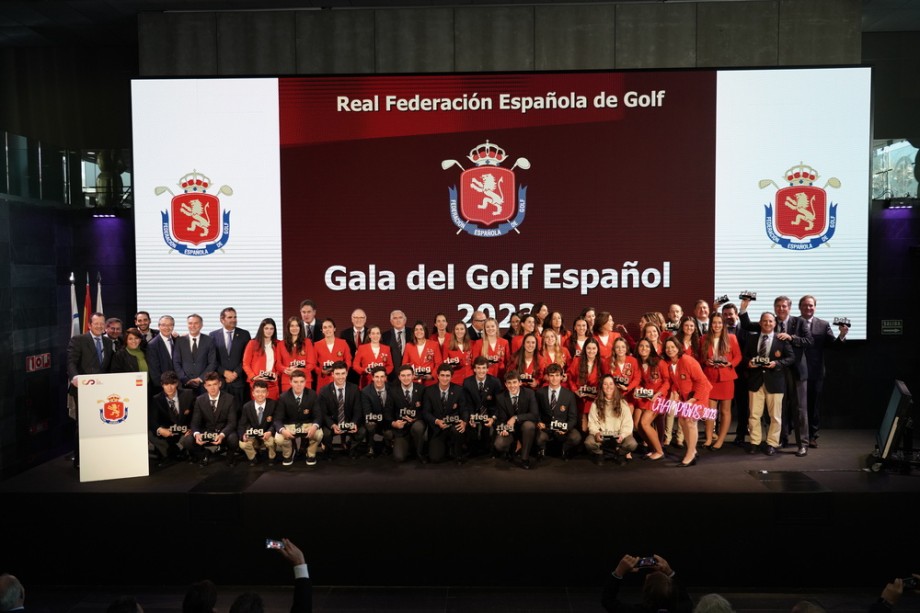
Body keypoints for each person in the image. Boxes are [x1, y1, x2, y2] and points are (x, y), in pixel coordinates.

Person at [798, 294, 848, 447]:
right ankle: (789, 435)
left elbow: (833, 345)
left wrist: (842, 335)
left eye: (811, 305)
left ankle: (812, 436)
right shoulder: (794, 323)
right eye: (805, 305)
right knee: (794, 405)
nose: (808, 307)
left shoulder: (823, 324)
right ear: (800, 307)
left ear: (815, 307)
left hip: (815, 372)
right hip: (796, 370)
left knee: (813, 405)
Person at [66, 311, 114, 468]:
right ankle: (80, 460)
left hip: (102, 392)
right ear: (89, 325)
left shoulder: (107, 342)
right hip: (83, 390)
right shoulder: (79, 340)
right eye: (96, 323)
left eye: (102, 323)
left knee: (101, 424)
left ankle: (98, 457)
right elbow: (71, 362)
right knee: (84, 426)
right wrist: (74, 378)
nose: (99, 326)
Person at [743, 311, 794, 456]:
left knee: (775, 416)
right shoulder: (752, 339)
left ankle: (772, 443)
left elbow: (790, 358)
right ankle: (755, 442)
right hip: (755, 381)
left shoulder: (781, 340)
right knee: (754, 414)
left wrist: (777, 363)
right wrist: (749, 363)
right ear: (760, 323)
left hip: (776, 382)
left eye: (770, 321)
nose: (767, 323)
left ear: (775, 323)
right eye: (764, 321)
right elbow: (744, 357)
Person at [663, 336, 712, 467]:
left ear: (678, 347)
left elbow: (702, 382)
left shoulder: (687, 361)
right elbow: (676, 382)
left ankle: (690, 454)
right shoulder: (670, 364)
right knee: (682, 421)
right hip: (685, 397)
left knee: (690, 421)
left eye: (672, 347)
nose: (670, 350)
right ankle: (693, 450)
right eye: (667, 347)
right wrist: (674, 392)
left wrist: (693, 399)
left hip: (699, 395)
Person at [773, 295, 813, 454]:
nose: (781, 309)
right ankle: (782, 439)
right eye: (778, 306)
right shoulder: (771, 321)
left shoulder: (800, 322)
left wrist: (791, 337)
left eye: (784, 306)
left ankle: (802, 444)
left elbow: (809, 341)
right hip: (778, 371)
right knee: (780, 408)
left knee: (800, 409)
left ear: (789, 308)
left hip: (797, 371)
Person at [699, 313, 742, 450]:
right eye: (714, 323)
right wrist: (706, 361)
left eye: (719, 323)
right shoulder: (704, 338)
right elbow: (701, 358)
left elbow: (738, 357)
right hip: (710, 378)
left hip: (726, 378)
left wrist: (729, 364)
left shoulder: (731, 338)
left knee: (725, 411)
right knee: (710, 411)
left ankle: (721, 440)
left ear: (723, 325)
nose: (716, 325)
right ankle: (709, 438)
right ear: (710, 324)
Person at [601, 554, 692, 613]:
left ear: (645, 592)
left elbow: (608, 601)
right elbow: (686, 599)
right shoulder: (684, 609)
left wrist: (618, 571)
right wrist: (669, 572)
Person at [188, 371, 240, 466]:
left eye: (215, 384)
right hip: (207, 431)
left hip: (223, 431)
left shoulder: (229, 399)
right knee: (187, 440)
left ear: (220, 384)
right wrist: (197, 434)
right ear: (205, 386)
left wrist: (222, 435)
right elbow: (195, 423)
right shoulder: (199, 400)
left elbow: (232, 423)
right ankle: (204, 454)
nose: (212, 388)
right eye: (209, 385)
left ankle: (230, 456)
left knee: (233, 438)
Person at [421, 362, 468, 464]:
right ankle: (445, 447)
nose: (445, 378)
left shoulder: (459, 390)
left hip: (453, 427)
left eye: (447, 376)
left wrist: (464, 422)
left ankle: (457, 452)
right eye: (442, 375)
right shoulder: (429, 391)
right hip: (437, 428)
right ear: (437, 376)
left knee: (458, 429)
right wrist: (436, 421)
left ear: (451, 377)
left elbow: (464, 409)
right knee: (435, 458)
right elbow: (426, 412)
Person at [317, 361, 366, 458]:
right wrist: (332, 425)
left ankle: (350, 448)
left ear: (347, 373)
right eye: (337, 374)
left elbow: (358, 410)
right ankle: (329, 451)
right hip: (333, 421)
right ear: (332, 374)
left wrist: (354, 423)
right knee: (325, 433)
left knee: (362, 431)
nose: (340, 377)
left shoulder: (354, 389)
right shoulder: (324, 391)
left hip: (349, 421)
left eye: (343, 373)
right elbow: (323, 413)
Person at [586, 374, 638, 465]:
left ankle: (619, 454)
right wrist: (596, 433)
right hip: (602, 435)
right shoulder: (596, 403)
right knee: (589, 442)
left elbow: (628, 423)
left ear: (615, 386)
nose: (608, 387)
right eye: (605, 384)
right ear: (602, 386)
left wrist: (622, 435)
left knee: (632, 444)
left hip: (618, 436)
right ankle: (600, 454)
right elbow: (592, 423)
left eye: (611, 384)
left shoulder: (622, 403)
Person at [274, 369, 322, 466]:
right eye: (295, 382)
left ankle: (310, 453)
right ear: (290, 382)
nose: (299, 385)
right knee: (279, 438)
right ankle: (289, 453)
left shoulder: (312, 394)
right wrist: (283, 430)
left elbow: (318, 416)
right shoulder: (283, 397)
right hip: (290, 424)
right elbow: (277, 419)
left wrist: (314, 426)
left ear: (305, 382)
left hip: (307, 424)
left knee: (319, 434)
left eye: (301, 382)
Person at [493, 369, 538, 469]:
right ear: (505, 384)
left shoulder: (529, 393)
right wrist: (504, 428)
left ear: (520, 382)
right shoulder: (500, 397)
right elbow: (502, 418)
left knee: (529, 425)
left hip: (524, 428)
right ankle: (510, 449)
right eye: (509, 383)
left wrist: (515, 418)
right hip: (510, 429)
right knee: (499, 444)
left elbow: (534, 415)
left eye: (514, 382)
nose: (512, 386)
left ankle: (525, 458)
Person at [535, 363, 581, 459]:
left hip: (562, 428)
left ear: (561, 377)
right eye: (551, 375)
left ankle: (564, 450)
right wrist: (539, 422)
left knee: (576, 437)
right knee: (539, 437)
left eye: (557, 375)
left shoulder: (569, 395)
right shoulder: (540, 392)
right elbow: (536, 411)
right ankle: (542, 450)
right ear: (547, 377)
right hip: (546, 428)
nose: (554, 378)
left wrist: (566, 428)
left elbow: (573, 418)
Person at [149, 370, 194, 466]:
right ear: (162, 385)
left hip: (184, 431)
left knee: (192, 436)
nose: (169, 387)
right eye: (166, 384)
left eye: (172, 384)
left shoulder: (188, 394)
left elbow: (196, 415)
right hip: (167, 431)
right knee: (150, 433)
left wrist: (191, 428)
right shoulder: (156, 399)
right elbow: (152, 421)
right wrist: (160, 430)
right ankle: (176, 451)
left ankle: (172, 452)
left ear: (177, 383)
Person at [634, 338, 669, 461]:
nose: (644, 348)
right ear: (637, 349)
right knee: (637, 423)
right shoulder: (636, 363)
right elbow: (637, 381)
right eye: (641, 346)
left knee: (644, 423)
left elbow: (667, 381)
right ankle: (652, 447)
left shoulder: (659, 362)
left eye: (647, 346)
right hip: (645, 396)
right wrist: (638, 391)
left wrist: (658, 393)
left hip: (658, 397)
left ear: (651, 349)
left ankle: (659, 451)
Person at [721, 303, 750, 445]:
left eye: (730, 314)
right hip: (723, 375)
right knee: (724, 407)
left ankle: (741, 434)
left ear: (736, 314)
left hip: (742, 374)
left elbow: (748, 352)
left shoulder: (746, 329)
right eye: (725, 315)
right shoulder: (719, 331)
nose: (728, 317)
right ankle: (718, 434)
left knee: (743, 406)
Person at [462, 356, 503, 457]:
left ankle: (489, 450)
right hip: (474, 413)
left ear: (487, 369)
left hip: (490, 414)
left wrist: (493, 418)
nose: (481, 371)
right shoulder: (467, 382)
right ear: (474, 369)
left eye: (484, 368)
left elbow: (500, 404)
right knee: (471, 433)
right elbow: (467, 403)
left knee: (488, 438)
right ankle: (472, 450)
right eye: (478, 368)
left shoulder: (495, 382)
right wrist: (471, 417)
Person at [210, 307, 252, 406]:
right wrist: (224, 372)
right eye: (230, 317)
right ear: (222, 319)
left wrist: (235, 373)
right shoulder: (213, 335)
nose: (233, 320)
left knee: (239, 412)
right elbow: (212, 359)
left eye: (235, 317)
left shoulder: (244, 334)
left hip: (239, 382)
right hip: (221, 382)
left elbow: (247, 357)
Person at [386, 364, 428, 463]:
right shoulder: (392, 391)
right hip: (401, 429)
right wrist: (394, 423)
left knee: (418, 427)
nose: (406, 378)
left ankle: (420, 453)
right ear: (399, 377)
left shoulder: (422, 389)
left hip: (417, 423)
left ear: (413, 376)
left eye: (408, 375)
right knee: (399, 458)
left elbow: (426, 410)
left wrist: (416, 418)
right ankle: (408, 445)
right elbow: (387, 412)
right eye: (403, 375)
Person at [173, 314, 217, 395]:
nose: (193, 326)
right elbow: (176, 362)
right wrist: (185, 379)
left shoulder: (209, 340)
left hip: (203, 385)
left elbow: (212, 362)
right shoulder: (180, 341)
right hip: (184, 385)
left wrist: (200, 378)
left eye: (196, 323)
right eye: (190, 323)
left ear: (201, 325)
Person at [238, 380, 277, 466]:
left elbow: (275, 422)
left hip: (267, 433)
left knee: (271, 442)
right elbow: (242, 424)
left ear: (267, 393)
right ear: (253, 393)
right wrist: (243, 435)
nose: (260, 394)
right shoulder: (247, 406)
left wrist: (270, 432)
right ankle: (253, 457)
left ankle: (271, 458)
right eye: (257, 391)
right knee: (243, 444)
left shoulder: (273, 404)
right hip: (253, 434)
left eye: (263, 392)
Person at [242, 318, 283, 400]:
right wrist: (253, 377)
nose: (269, 331)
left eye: (272, 328)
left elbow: (280, 363)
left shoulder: (279, 344)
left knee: (272, 409)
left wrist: (277, 375)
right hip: (257, 383)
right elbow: (245, 364)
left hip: (272, 384)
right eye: (266, 328)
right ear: (262, 329)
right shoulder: (252, 343)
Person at [567, 336, 601, 431]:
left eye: (594, 348)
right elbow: (570, 378)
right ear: (584, 349)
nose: (591, 351)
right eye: (588, 348)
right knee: (582, 426)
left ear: (597, 349)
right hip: (579, 398)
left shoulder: (602, 362)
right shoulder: (577, 360)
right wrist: (575, 390)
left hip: (595, 399)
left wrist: (597, 393)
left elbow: (605, 381)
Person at [607, 337, 641, 431]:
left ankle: (627, 439)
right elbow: (605, 380)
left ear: (626, 348)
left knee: (627, 420)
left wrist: (627, 388)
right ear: (614, 349)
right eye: (617, 347)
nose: (620, 349)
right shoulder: (609, 361)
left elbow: (637, 378)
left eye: (623, 347)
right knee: (615, 421)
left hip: (629, 395)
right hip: (613, 396)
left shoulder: (633, 361)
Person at [277, 316, 316, 393]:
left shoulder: (307, 342)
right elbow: (278, 364)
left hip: (304, 380)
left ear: (300, 328)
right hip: (287, 380)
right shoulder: (280, 344)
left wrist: (297, 370)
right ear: (288, 328)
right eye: (292, 326)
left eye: (297, 326)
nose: (294, 328)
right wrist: (285, 370)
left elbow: (312, 364)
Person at [359, 366, 389, 457]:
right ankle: (370, 446)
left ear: (385, 378)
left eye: (382, 377)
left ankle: (387, 445)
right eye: (376, 377)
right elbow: (367, 413)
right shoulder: (365, 392)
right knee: (370, 424)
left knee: (389, 432)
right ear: (372, 378)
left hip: (388, 420)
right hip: (373, 419)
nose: (379, 379)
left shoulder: (392, 389)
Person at [313, 319, 352, 389]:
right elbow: (313, 364)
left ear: (334, 329)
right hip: (323, 380)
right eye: (325, 327)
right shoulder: (316, 345)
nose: (327, 329)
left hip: (340, 379)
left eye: (330, 327)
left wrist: (343, 371)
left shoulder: (343, 343)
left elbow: (348, 360)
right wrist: (321, 371)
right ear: (322, 330)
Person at [402, 321, 441, 386]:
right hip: (414, 382)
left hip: (430, 382)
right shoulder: (408, 346)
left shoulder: (434, 344)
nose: (418, 332)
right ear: (413, 332)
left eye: (421, 329)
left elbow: (438, 363)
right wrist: (410, 376)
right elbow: (404, 364)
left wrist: (432, 376)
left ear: (425, 331)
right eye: (416, 330)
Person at [146, 315, 177, 397]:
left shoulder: (176, 340)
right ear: (159, 326)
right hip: (163, 388)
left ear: (173, 326)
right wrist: (165, 387)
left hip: (177, 385)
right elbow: (154, 371)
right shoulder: (152, 345)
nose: (167, 327)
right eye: (163, 325)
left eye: (170, 325)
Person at [340, 308, 368, 385]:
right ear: (352, 319)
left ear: (365, 319)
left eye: (361, 318)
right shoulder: (344, 334)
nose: (358, 320)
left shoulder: (371, 333)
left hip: (366, 369)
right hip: (350, 370)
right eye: (356, 317)